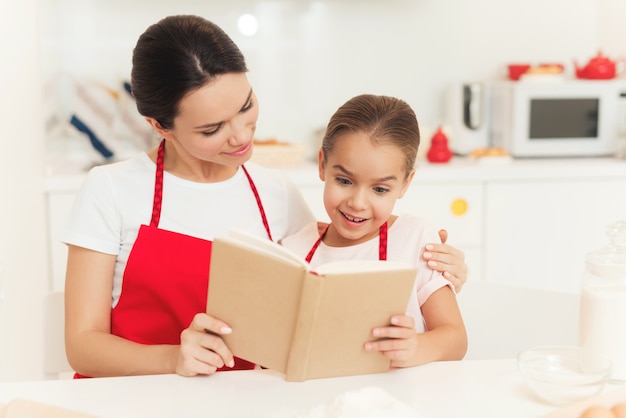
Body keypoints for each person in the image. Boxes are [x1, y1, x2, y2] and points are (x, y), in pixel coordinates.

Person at [62, 14, 468, 378]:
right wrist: (172, 359)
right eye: (211, 129)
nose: (241, 135)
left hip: (251, 398)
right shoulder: (111, 190)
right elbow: (83, 346)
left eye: (246, 105)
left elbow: (333, 266)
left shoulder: (275, 192)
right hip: (134, 400)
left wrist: (433, 265)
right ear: (160, 126)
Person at [282, 94, 468, 366]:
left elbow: (456, 339)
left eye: (380, 189)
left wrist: (415, 347)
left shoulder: (416, 240)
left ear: (405, 184)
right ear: (322, 164)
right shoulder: (294, 249)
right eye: (344, 180)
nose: (357, 203)